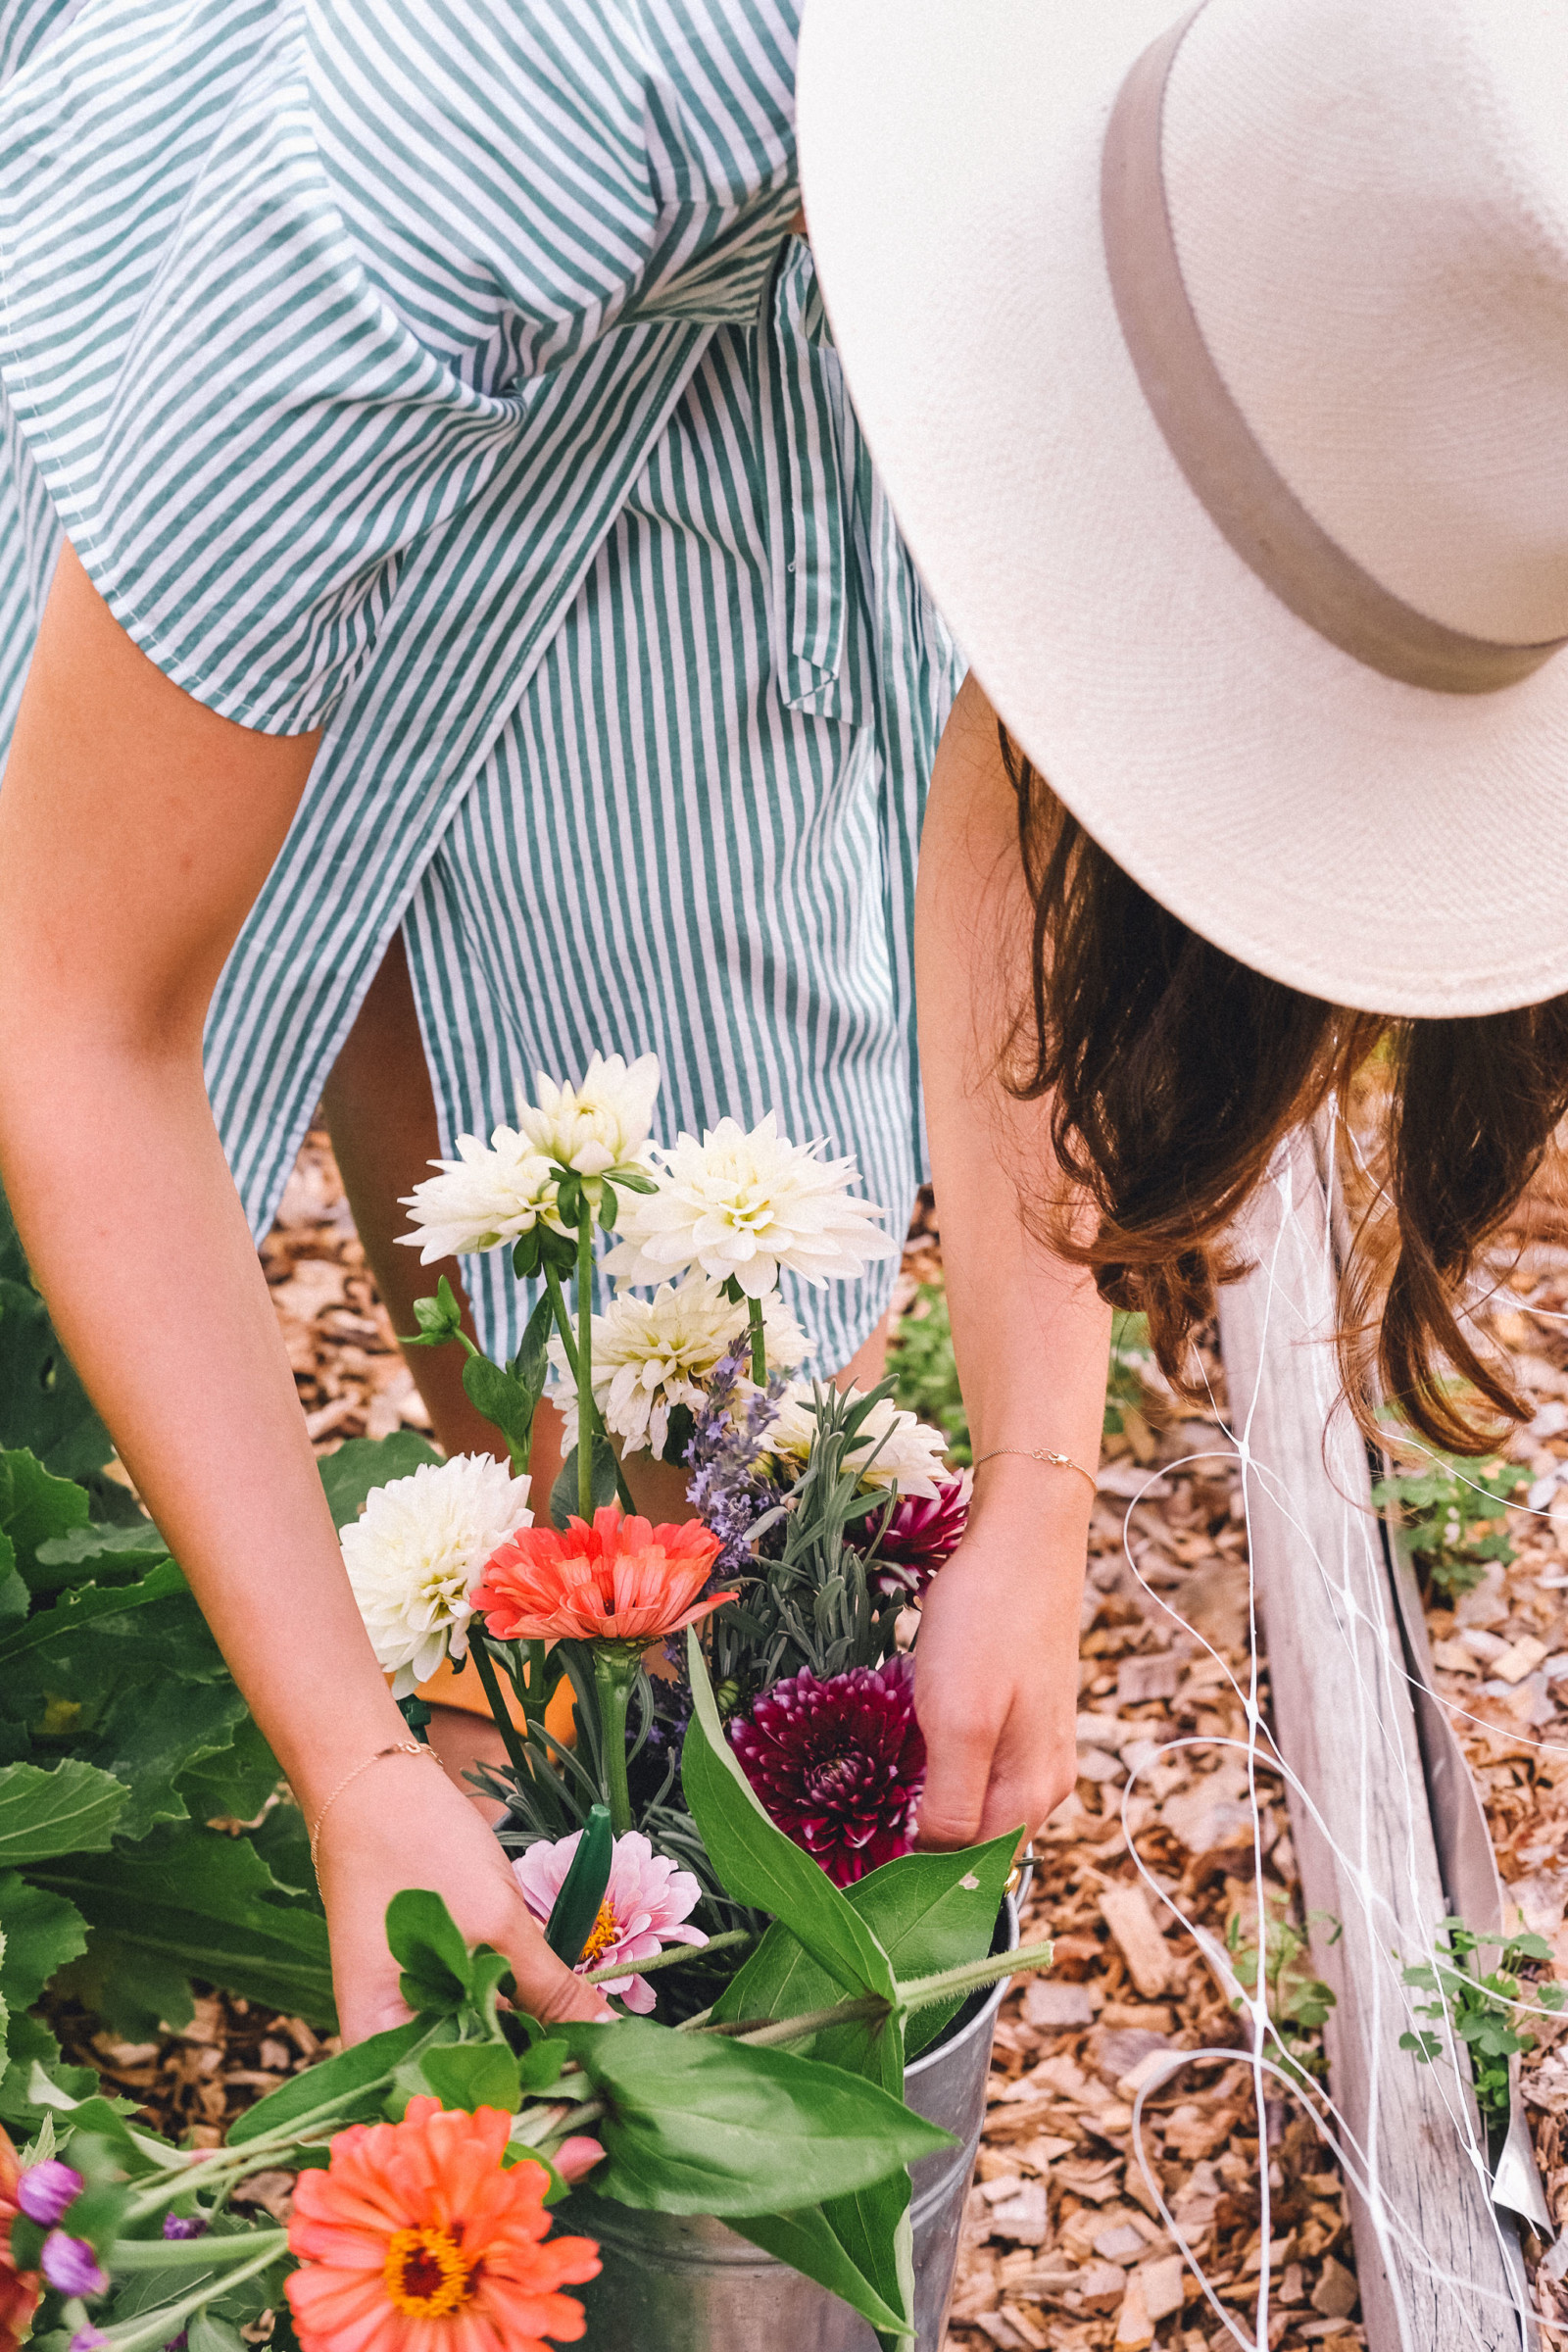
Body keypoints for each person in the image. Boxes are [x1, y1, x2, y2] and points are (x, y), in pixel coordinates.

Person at [0, 0, 1104, 2042]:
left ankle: (621, 1954)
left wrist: (1042, 1473)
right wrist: (347, 1768)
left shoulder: (1154, 120)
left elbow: (1013, 707)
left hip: (733, 302)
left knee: (744, 1434)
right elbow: (75, 1012)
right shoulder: (432, 166)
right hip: (281, 229)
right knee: (619, 1385)